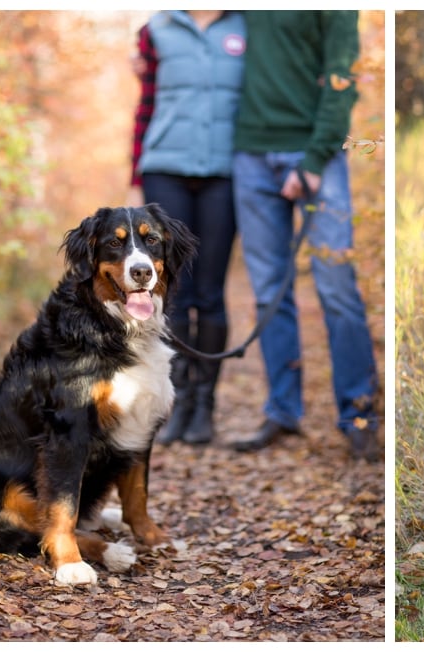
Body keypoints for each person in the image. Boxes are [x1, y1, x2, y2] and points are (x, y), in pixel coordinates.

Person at [228, 10, 381, 463]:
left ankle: (358, 416)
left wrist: (314, 158)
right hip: (250, 156)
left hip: (317, 153)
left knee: (336, 285)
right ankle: (282, 411)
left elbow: (342, 77)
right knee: (269, 290)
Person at [130, 10, 246, 446]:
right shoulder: (155, 30)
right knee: (170, 291)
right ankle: (175, 405)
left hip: (225, 172)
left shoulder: (247, 26)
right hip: (165, 170)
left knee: (211, 292)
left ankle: (205, 407)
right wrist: (135, 168)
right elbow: (145, 104)